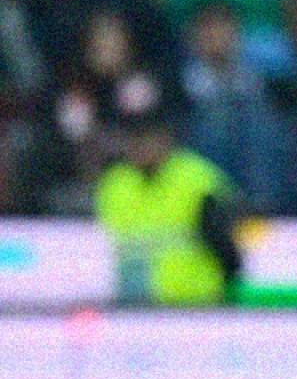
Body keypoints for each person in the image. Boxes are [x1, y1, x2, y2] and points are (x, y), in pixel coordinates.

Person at [94, 110, 243, 305]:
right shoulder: (115, 184)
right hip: (137, 305)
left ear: (165, 141)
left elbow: (224, 245)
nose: (141, 149)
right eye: (135, 141)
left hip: (197, 302)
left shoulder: (195, 179)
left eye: (147, 140)